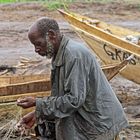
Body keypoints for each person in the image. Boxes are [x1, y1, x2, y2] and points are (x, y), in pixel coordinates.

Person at [17, 17, 128, 140]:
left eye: (38, 44)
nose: (36, 49)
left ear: (51, 35)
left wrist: (37, 103)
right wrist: (38, 114)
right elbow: (62, 96)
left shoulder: (73, 56)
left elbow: (73, 100)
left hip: (99, 125)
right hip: (89, 121)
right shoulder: (59, 55)